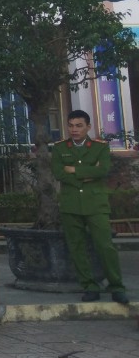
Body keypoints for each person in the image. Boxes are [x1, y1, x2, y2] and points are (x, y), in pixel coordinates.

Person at [51, 109, 129, 304]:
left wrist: (74, 170)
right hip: (70, 204)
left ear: (88, 127)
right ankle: (89, 286)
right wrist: (86, 174)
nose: (74, 130)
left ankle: (116, 286)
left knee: (105, 246)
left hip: (96, 204)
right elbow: (59, 173)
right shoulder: (60, 148)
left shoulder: (99, 147)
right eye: (71, 126)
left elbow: (102, 170)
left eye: (79, 126)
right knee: (77, 248)